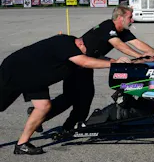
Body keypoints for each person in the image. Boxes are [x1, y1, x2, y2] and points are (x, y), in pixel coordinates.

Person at [40, 5, 154, 137]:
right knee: (78, 97)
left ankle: (51, 119)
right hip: (77, 64)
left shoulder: (122, 30)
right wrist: (140, 56)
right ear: (120, 18)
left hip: (86, 65)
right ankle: (61, 123)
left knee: (76, 97)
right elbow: (119, 45)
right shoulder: (108, 26)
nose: (132, 20)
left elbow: (137, 43)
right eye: (130, 17)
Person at [0, 35, 130, 154]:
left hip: (35, 78)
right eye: (85, 53)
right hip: (16, 70)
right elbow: (85, 62)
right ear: (80, 44)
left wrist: (118, 61)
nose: (87, 55)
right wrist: (113, 64)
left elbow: (93, 58)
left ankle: (21, 145)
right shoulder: (65, 45)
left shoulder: (77, 46)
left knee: (43, 106)